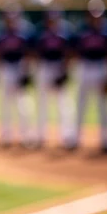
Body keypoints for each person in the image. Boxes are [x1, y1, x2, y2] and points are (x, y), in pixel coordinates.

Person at [73, 2, 107, 153]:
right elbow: (76, 51)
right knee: (81, 104)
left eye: (98, 14)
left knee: (103, 106)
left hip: (101, 67)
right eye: (92, 13)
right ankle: (76, 139)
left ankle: (106, 141)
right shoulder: (82, 29)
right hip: (84, 67)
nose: (95, 17)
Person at [0, 8, 35, 147]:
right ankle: (6, 136)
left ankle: (26, 135)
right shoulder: (1, 34)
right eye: (8, 18)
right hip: (6, 68)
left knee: (22, 104)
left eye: (13, 17)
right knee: (5, 104)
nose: (11, 21)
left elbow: (29, 53)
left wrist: (27, 72)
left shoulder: (24, 33)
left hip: (19, 67)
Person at [35, 8, 74, 149]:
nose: (52, 21)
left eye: (54, 18)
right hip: (44, 67)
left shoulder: (65, 31)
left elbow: (69, 52)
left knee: (63, 104)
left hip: (58, 66)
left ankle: (67, 136)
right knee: (43, 103)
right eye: (50, 18)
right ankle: (41, 136)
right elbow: (35, 52)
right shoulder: (41, 32)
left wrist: (65, 71)